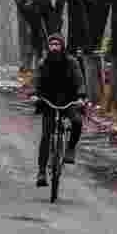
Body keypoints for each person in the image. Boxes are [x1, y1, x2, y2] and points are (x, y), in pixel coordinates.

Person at [32, 33, 87, 187]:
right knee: (46, 135)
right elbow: (36, 80)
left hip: (69, 101)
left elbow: (80, 81)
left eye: (57, 44)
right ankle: (41, 172)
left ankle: (70, 149)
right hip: (48, 102)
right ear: (48, 47)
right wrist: (35, 94)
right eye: (52, 45)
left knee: (77, 121)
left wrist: (81, 97)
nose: (54, 47)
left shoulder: (72, 62)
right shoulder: (44, 62)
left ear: (62, 46)